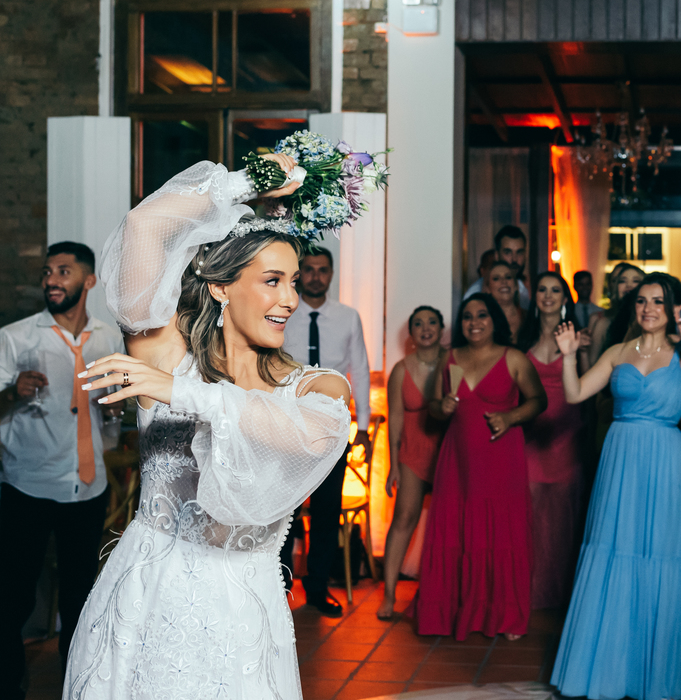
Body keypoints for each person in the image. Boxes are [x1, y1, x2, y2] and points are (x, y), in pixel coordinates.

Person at [66, 156, 352, 698]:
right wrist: (251, 183)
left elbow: (309, 435)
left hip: (241, 606)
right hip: (146, 591)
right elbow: (144, 227)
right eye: (272, 281)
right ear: (222, 288)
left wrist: (180, 393)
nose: (290, 298)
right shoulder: (166, 352)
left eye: (293, 281)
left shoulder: (313, 386)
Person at [551, 274, 681, 700]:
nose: (648, 309)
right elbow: (577, 393)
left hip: (663, 458)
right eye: (642, 301)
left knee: (658, 554)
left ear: (673, 307)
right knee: (613, 549)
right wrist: (569, 356)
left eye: (658, 301)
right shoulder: (618, 351)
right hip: (620, 456)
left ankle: (651, 675)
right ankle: (606, 670)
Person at [0, 242, 124, 696]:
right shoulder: (16, 338)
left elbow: (113, 416)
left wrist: (114, 412)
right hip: (27, 489)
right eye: (48, 272)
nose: (52, 279)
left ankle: (76, 687)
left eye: (64, 271)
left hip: (88, 492)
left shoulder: (110, 340)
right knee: (13, 598)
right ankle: (9, 686)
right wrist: (13, 392)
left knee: (80, 600)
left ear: (88, 281)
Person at [411, 293, 547, 640]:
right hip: (457, 461)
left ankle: (505, 615)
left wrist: (510, 416)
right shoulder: (450, 359)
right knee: (459, 533)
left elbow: (538, 400)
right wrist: (442, 406)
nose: (474, 322)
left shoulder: (513, 358)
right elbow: (436, 410)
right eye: (468, 317)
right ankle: (458, 611)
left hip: (500, 459)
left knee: (501, 534)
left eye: (482, 315)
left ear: (494, 320)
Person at [279, 246, 372, 616]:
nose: (316, 276)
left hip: (332, 427)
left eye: (323, 270)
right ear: (300, 273)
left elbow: (360, 370)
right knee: (283, 509)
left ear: (331, 275)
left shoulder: (348, 317)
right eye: (310, 269)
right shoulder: (282, 312)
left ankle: (317, 588)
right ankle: (280, 587)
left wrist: (362, 424)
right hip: (286, 427)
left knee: (326, 510)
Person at [516, 272, 588, 610]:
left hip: (566, 435)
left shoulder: (576, 337)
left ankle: (559, 596)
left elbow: (586, 390)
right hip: (531, 435)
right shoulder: (522, 337)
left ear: (565, 297)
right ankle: (527, 592)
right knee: (529, 515)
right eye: (541, 289)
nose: (547, 295)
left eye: (555, 290)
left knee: (561, 519)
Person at [376, 306, 448, 620]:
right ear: (411, 334)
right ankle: (389, 595)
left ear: (441, 328)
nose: (425, 328)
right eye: (418, 324)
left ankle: (442, 592)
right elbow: (394, 421)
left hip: (447, 450)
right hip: (413, 452)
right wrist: (393, 464)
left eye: (432, 322)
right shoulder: (401, 370)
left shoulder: (453, 361)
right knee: (404, 518)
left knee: (447, 522)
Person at [587, 262, 645, 365]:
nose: (629, 285)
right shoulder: (604, 324)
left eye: (636, 281)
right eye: (622, 281)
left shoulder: (650, 323)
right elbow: (591, 365)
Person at [464, 226, 531, 309]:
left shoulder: (524, 289)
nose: (514, 259)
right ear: (496, 255)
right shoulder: (476, 292)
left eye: (519, 252)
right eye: (508, 252)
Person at [484, 260, 524, 339]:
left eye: (508, 277)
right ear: (488, 288)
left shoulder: (528, 318)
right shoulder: (483, 320)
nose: (503, 281)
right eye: (496, 278)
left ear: (516, 286)